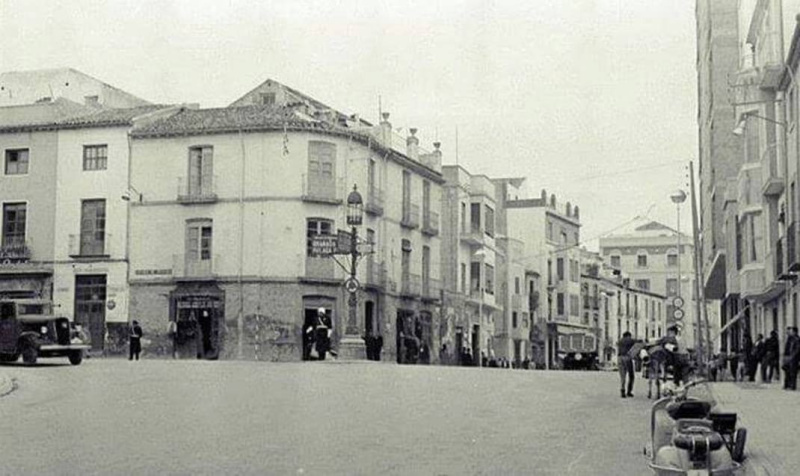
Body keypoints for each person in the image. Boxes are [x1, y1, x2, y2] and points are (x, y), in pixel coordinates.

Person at [617, 331, 636, 398]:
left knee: (623, 376)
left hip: (619, 358)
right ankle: (629, 391)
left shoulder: (620, 341)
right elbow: (637, 343)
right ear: (628, 336)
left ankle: (622, 391)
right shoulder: (630, 340)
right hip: (627, 358)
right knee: (631, 376)